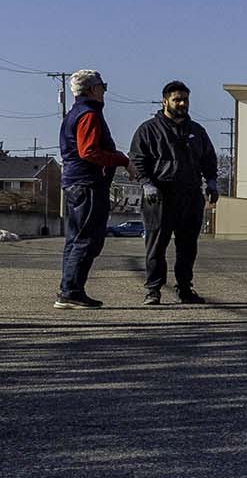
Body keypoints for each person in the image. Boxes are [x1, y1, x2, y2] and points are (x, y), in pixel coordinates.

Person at [128, 80, 219, 305]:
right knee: (156, 246)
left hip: (190, 196)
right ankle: (153, 290)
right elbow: (137, 159)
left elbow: (208, 159)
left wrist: (212, 182)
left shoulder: (197, 131)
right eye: (177, 99)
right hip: (159, 197)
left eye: (185, 99)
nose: (182, 103)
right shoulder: (148, 130)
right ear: (165, 101)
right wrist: (147, 184)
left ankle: (185, 288)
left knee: (187, 247)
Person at [55, 69, 133, 309]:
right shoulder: (89, 115)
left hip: (75, 182)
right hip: (87, 184)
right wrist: (121, 159)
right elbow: (88, 151)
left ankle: (70, 289)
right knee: (87, 239)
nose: (104, 91)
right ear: (92, 89)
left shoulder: (74, 114)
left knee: (76, 238)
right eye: (103, 86)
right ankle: (71, 291)